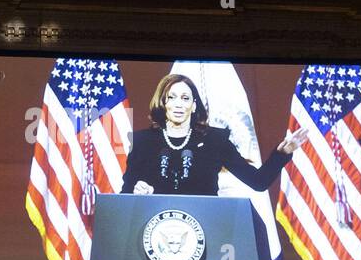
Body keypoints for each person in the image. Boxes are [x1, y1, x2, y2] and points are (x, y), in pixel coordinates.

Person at [120, 73, 310, 196]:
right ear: (163, 103)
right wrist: (136, 192)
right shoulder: (142, 141)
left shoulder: (215, 140)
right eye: (172, 97)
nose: (178, 104)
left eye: (185, 98)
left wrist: (282, 154)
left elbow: (258, 182)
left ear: (193, 106)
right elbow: (125, 194)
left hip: (205, 229)